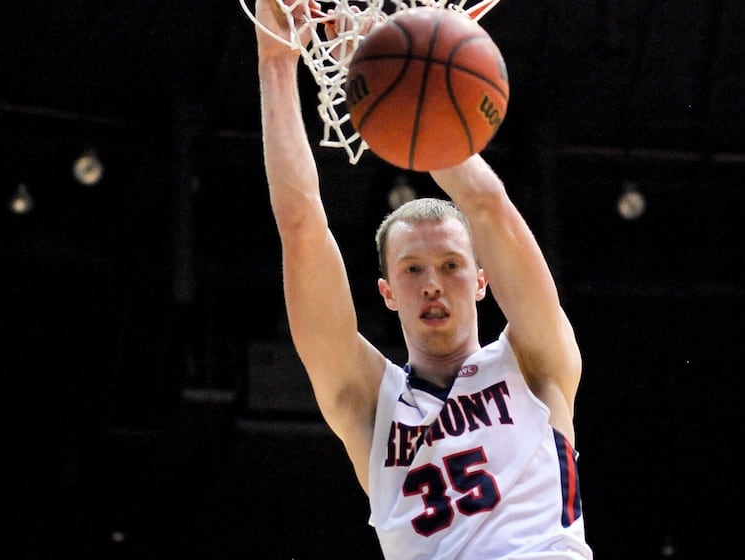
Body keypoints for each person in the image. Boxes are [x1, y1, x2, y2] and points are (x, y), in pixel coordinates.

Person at [253, 1, 592, 558]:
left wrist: (428, 91)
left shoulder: (535, 359)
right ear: (386, 292)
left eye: (452, 265)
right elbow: (301, 226)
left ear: (483, 279)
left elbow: (487, 205)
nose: (433, 283)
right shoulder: (368, 401)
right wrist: (274, 60)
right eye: (413, 270)